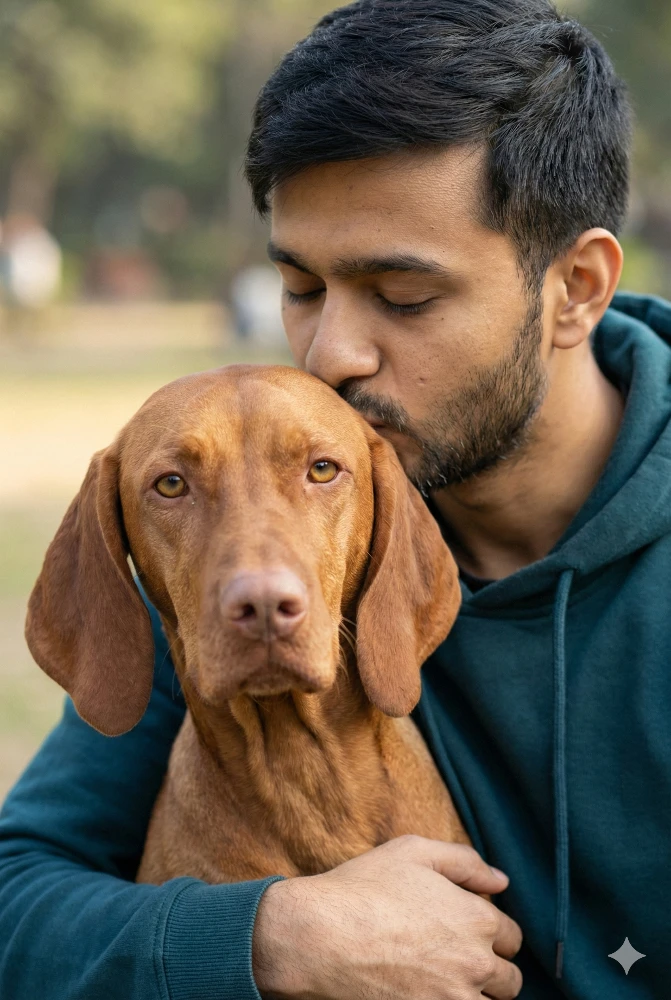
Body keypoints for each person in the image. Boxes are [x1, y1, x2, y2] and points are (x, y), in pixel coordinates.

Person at [1, 1, 669, 997]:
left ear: (573, 286)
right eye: (301, 287)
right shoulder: (259, 544)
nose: (329, 357)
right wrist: (267, 936)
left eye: (401, 297)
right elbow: (18, 900)